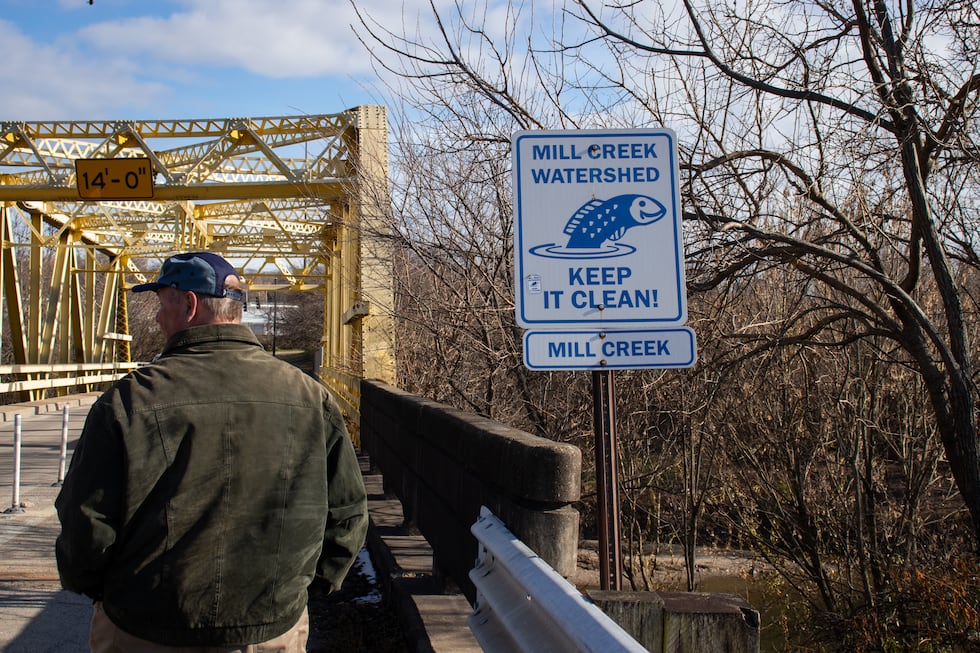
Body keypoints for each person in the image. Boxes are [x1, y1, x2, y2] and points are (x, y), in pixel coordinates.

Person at [55, 251, 369, 652]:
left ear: (187, 305)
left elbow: (86, 522)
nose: (155, 317)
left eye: (161, 302)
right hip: (269, 631)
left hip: (143, 629)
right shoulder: (311, 398)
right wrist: (296, 593)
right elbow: (347, 513)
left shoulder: (129, 400)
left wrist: (102, 590)